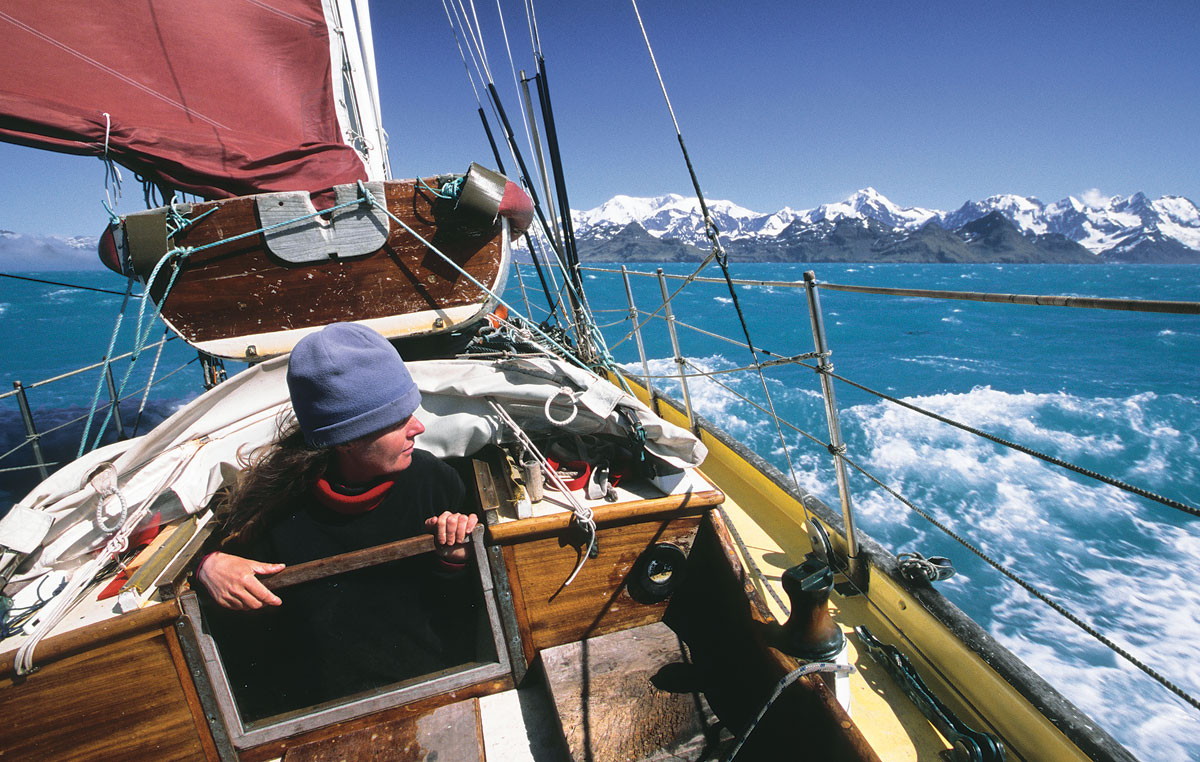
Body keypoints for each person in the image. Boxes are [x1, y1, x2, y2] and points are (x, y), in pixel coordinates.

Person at [195, 322, 482, 716]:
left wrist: (456, 558)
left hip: (437, 686)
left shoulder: (435, 482)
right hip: (322, 709)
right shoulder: (273, 509)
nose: (419, 427)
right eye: (397, 421)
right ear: (346, 439)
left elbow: (463, 609)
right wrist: (209, 566)